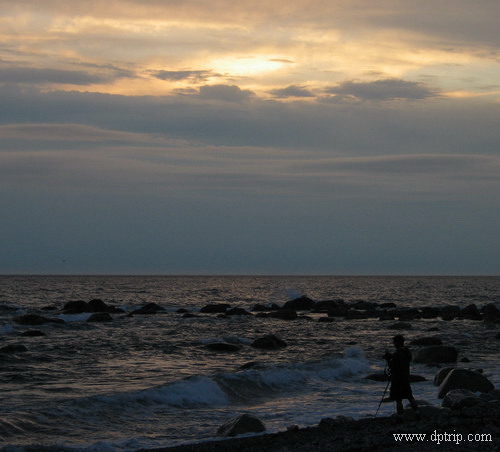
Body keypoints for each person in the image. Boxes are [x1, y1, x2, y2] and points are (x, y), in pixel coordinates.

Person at [383, 335, 420, 421]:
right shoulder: (407, 352)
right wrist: (391, 356)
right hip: (405, 378)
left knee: (398, 399)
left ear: (397, 342)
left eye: (394, 342)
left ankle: (400, 417)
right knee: (410, 397)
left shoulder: (397, 354)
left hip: (397, 380)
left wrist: (387, 359)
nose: (393, 344)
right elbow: (402, 360)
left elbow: (393, 367)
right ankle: (417, 413)